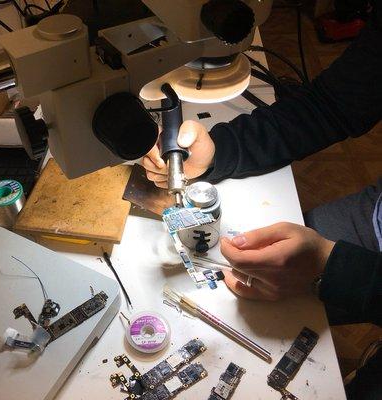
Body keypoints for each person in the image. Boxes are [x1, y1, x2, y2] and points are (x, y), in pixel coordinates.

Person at [143, 1, 381, 398]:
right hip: (374, 218)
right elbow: (332, 106)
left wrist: (335, 270)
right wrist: (220, 151)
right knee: (267, 289)